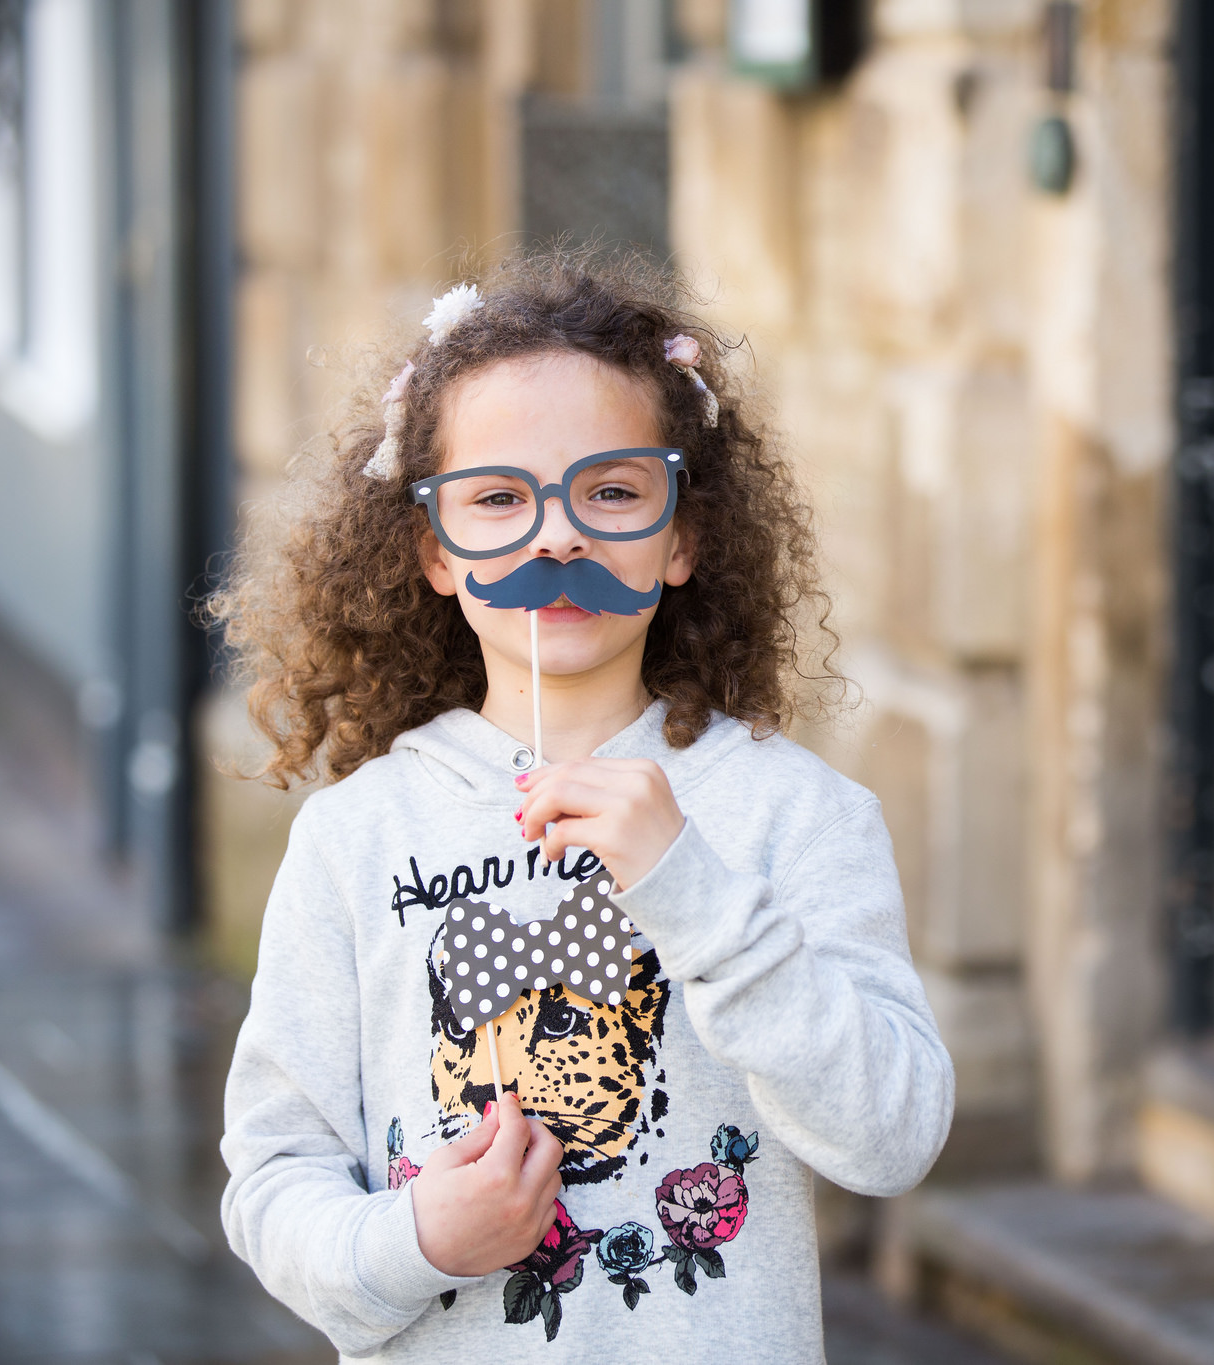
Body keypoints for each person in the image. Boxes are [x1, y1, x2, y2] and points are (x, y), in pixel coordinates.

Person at [212, 253, 955, 1361]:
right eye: (499, 500)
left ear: (683, 535)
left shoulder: (796, 816)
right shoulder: (354, 840)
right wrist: (416, 1241)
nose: (556, 538)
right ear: (432, 551)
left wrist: (694, 897)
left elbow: (891, 1135)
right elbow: (275, 1179)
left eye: (610, 491)